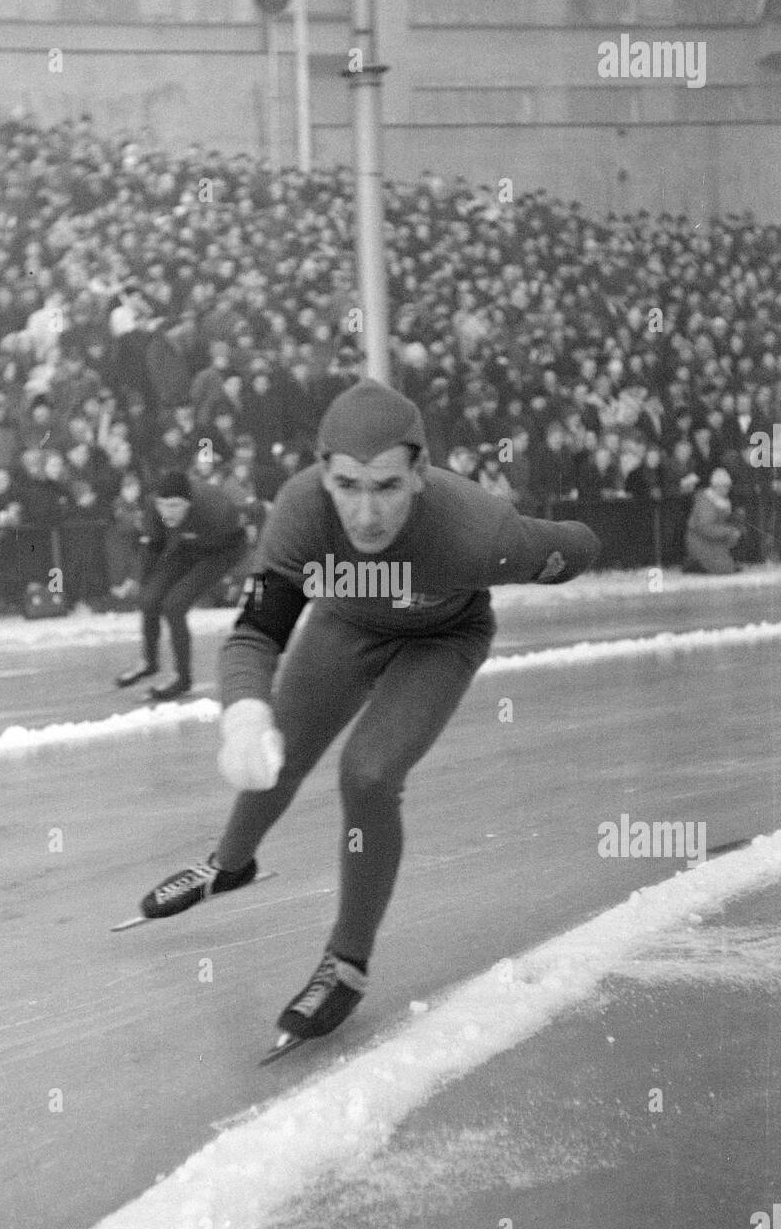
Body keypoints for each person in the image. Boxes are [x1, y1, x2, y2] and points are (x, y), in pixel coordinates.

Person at [137, 380, 600, 1047]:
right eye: (348, 485)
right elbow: (256, 632)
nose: (365, 512)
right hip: (346, 620)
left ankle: (347, 963)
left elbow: (569, 543)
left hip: (441, 638)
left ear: (420, 473)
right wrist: (242, 711)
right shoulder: (300, 509)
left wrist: (580, 549)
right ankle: (229, 863)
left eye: (385, 486)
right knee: (280, 747)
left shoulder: (477, 532)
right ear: (323, 473)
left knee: (369, 774)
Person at [116, 468, 247, 700]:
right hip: (185, 548)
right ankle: (149, 662)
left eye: (175, 505)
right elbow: (153, 547)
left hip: (219, 551)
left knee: (175, 605)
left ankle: (182, 678)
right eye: (164, 505)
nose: (168, 512)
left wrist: (236, 579)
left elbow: (242, 541)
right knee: (149, 599)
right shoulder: (153, 507)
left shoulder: (215, 508)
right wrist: (144, 583)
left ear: (188, 503)